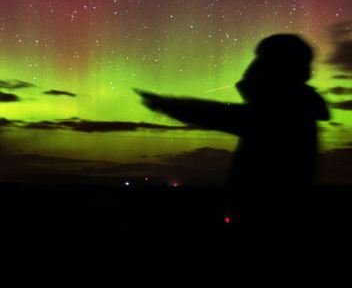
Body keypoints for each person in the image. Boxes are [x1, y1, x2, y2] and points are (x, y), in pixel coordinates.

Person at [136, 33, 330, 225]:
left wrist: (166, 104)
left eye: (263, 63)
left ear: (278, 69)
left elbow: (217, 114)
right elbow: (223, 114)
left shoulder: (285, 111)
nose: (253, 70)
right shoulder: (297, 107)